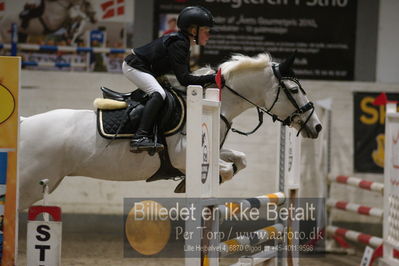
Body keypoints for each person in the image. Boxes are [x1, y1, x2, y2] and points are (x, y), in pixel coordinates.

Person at [123, 6, 218, 153]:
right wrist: (213, 77)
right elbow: (184, 79)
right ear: (194, 31)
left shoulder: (183, 43)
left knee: (167, 92)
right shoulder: (179, 44)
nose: (209, 35)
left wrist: (211, 77)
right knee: (158, 94)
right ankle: (139, 137)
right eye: (206, 31)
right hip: (134, 66)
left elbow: (186, 75)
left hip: (145, 68)